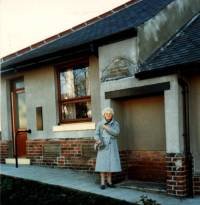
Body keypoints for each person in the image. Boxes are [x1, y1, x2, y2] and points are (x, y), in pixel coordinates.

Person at [94, 107, 121, 189]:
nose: (108, 115)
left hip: (112, 145)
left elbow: (116, 133)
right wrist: (98, 140)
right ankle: (102, 183)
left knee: (110, 164)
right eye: (106, 113)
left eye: (110, 114)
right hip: (103, 145)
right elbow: (96, 134)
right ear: (104, 115)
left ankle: (109, 182)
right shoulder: (100, 123)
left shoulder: (115, 123)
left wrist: (106, 128)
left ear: (112, 115)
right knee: (102, 164)